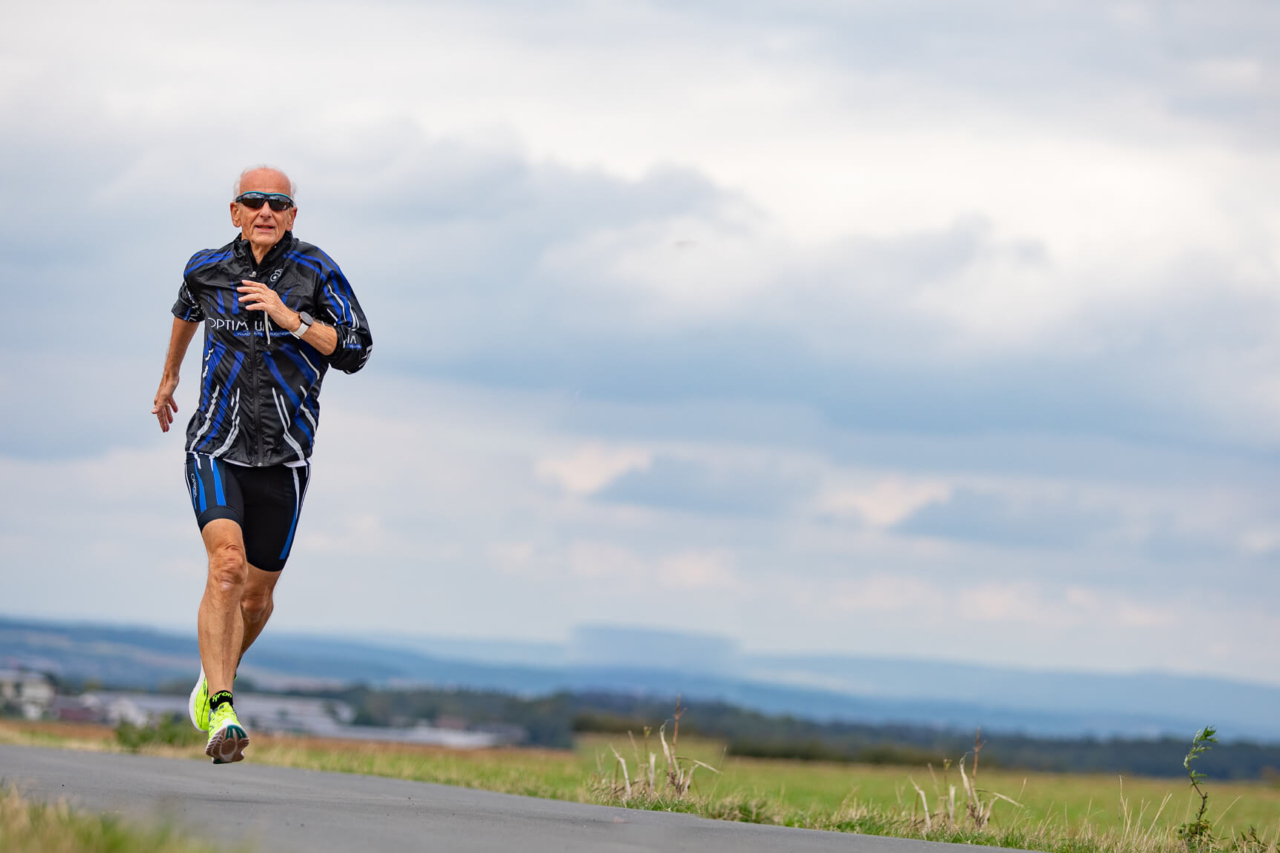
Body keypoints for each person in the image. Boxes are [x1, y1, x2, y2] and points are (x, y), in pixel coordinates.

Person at [151, 166, 372, 764]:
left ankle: (211, 677)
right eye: (254, 201)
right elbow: (185, 308)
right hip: (216, 444)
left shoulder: (317, 271)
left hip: (285, 454)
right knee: (226, 566)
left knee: (256, 597)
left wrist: (289, 317)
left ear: (293, 215)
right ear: (235, 211)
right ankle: (221, 706)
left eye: (278, 203)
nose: (266, 211)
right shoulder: (207, 267)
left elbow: (358, 347)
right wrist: (171, 375)